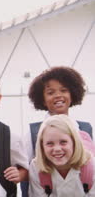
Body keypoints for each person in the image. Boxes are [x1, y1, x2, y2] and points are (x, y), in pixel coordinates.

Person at [21, 66, 93, 196]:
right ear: (42, 99)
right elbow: (28, 173)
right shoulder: (32, 132)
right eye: (50, 92)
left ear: (72, 94)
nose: (58, 95)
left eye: (64, 90)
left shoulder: (85, 129)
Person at [29, 114, 95, 196]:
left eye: (63, 142)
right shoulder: (36, 167)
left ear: (74, 142)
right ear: (42, 146)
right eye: (50, 143)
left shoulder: (91, 166)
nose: (57, 149)